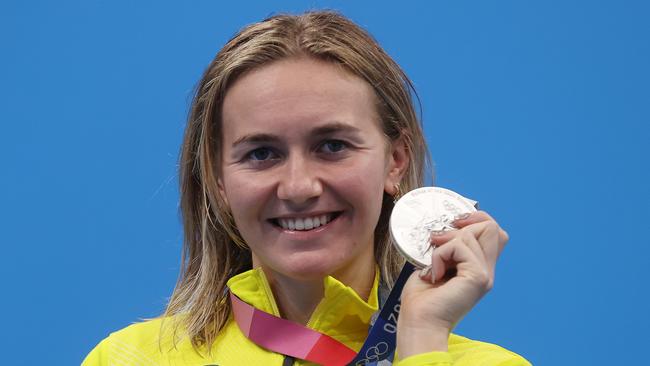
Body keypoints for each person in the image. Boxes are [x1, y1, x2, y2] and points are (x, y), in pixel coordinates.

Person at [83, 11, 530, 366]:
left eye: (332, 145)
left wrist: (421, 341)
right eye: (261, 153)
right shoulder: (128, 359)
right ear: (219, 180)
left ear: (395, 161)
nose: (298, 187)